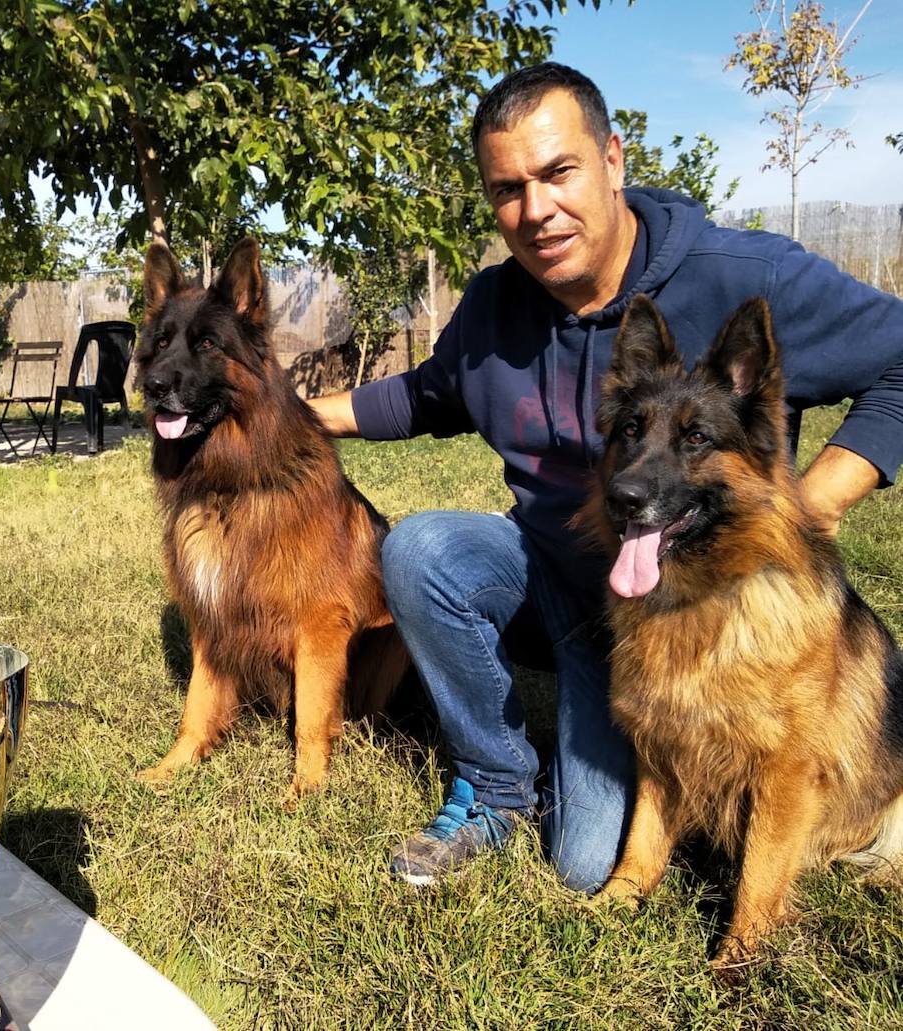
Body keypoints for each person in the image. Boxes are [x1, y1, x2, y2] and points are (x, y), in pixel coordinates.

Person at [308, 62, 903, 892]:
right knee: (421, 550)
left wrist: (820, 497)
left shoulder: (745, 274)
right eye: (508, 189)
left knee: (582, 861)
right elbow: (423, 393)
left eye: (558, 173)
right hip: (558, 576)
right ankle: (496, 779)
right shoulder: (493, 306)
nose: (536, 209)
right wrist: (296, 413)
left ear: (614, 160)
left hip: (690, 597)